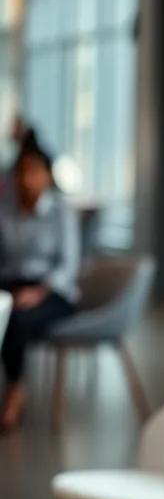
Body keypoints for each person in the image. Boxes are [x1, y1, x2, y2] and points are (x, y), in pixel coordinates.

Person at [0, 142, 79, 431]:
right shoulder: (6, 209)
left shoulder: (60, 211)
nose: (27, 179)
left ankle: (15, 391)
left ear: (47, 175)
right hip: (11, 282)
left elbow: (68, 267)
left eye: (34, 172)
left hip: (52, 289)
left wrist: (37, 292)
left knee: (15, 320)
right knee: (5, 310)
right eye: (22, 172)